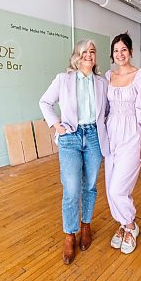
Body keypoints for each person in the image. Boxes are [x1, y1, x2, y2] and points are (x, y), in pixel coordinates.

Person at [39, 39, 109, 265]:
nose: (88, 55)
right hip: (70, 137)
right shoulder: (64, 79)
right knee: (71, 189)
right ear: (76, 57)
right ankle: (70, 234)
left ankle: (86, 225)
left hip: (94, 138)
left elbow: (107, 111)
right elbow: (45, 102)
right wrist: (56, 125)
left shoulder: (101, 82)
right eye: (84, 52)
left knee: (90, 185)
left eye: (92, 51)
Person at [105, 32, 141, 254]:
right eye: (116, 51)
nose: (120, 54)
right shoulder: (108, 76)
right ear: (112, 54)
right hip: (111, 137)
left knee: (119, 189)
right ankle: (122, 223)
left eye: (123, 50)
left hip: (131, 137)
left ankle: (130, 225)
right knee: (111, 189)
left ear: (131, 52)